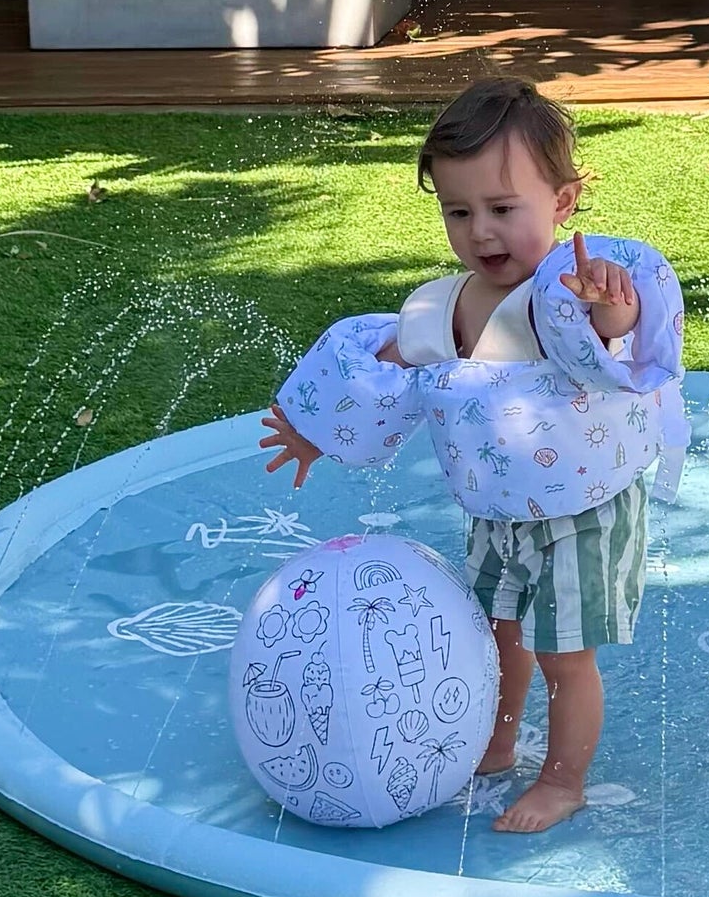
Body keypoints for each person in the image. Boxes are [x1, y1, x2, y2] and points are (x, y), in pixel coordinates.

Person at [260, 78, 684, 836]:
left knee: (564, 657)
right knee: (497, 638)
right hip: (498, 512)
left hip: (582, 513)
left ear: (562, 201)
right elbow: (382, 372)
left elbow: (615, 325)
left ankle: (563, 780)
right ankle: (493, 741)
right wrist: (312, 431)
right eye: (459, 212)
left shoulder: (565, 290)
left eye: (502, 208)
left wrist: (610, 297)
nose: (481, 232)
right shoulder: (443, 306)